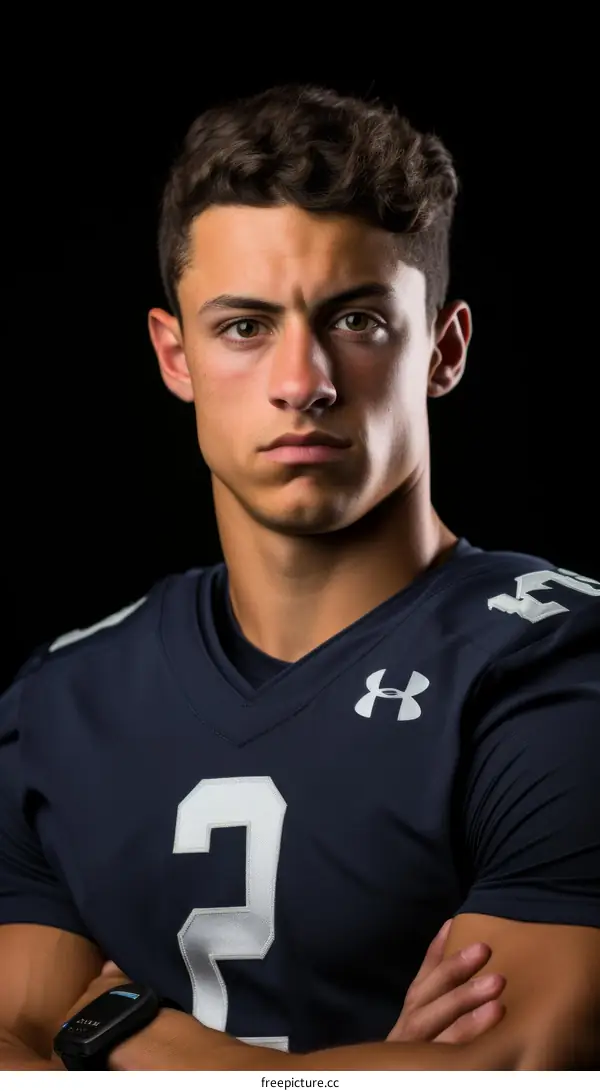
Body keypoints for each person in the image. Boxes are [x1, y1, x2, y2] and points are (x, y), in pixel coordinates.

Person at [1, 84, 599, 1072]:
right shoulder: (62, 703)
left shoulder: (553, 671)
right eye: (243, 326)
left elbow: (520, 1065)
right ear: (174, 352)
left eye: (357, 319)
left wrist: (134, 1038)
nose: (301, 380)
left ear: (443, 349)